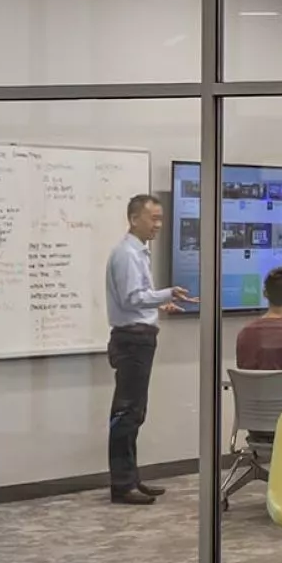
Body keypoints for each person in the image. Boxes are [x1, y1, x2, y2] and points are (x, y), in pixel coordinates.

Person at [105, 193, 192, 505]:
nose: (158, 225)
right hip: (132, 341)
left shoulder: (138, 252)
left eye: (160, 218)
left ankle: (131, 479)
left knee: (134, 412)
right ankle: (122, 485)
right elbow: (131, 298)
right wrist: (165, 293)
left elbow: (137, 298)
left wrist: (160, 304)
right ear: (133, 219)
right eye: (153, 218)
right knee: (127, 413)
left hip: (138, 336)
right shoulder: (127, 254)